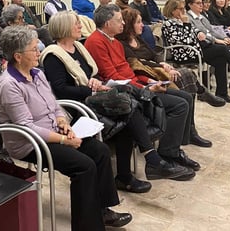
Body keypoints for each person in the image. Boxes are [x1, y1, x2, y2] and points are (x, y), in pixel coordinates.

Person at [0, 25, 132, 231]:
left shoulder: (37, 74)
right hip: (29, 142)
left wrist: (63, 122)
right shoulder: (9, 85)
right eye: (34, 49)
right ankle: (87, 226)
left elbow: (54, 104)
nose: (38, 52)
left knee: (100, 151)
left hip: (53, 131)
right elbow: (26, 126)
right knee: (84, 166)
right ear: (18, 56)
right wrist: (63, 140)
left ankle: (102, 210)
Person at [41, 11, 192, 190]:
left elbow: (93, 73)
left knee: (128, 110)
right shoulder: (53, 55)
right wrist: (91, 88)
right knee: (128, 108)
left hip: (94, 95)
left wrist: (95, 81)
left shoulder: (77, 47)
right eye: (76, 24)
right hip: (78, 105)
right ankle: (148, 161)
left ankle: (129, 174)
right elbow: (60, 89)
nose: (81, 26)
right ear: (64, 27)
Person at [85, 5, 201, 176]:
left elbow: (129, 72)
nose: (123, 23)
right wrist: (146, 88)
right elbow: (113, 77)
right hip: (125, 91)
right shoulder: (96, 42)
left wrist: (148, 82)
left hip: (136, 86)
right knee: (179, 106)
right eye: (119, 20)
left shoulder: (115, 41)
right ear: (108, 23)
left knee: (184, 96)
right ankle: (166, 155)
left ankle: (173, 150)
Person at [116, 8, 216, 144]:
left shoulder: (138, 39)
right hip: (147, 75)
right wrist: (160, 66)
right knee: (185, 75)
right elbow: (137, 63)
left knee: (186, 75)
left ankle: (189, 129)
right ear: (129, 25)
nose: (143, 25)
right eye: (138, 22)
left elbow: (152, 54)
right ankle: (190, 127)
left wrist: (162, 63)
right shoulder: (121, 44)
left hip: (155, 69)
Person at [162, 0, 230, 104]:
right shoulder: (168, 23)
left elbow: (195, 32)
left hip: (197, 49)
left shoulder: (181, 20)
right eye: (181, 9)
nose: (183, 11)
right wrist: (187, 25)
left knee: (221, 59)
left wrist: (198, 32)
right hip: (185, 53)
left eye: (183, 9)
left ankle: (222, 93)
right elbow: (184, 40)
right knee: (222, 49)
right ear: (172, 10)